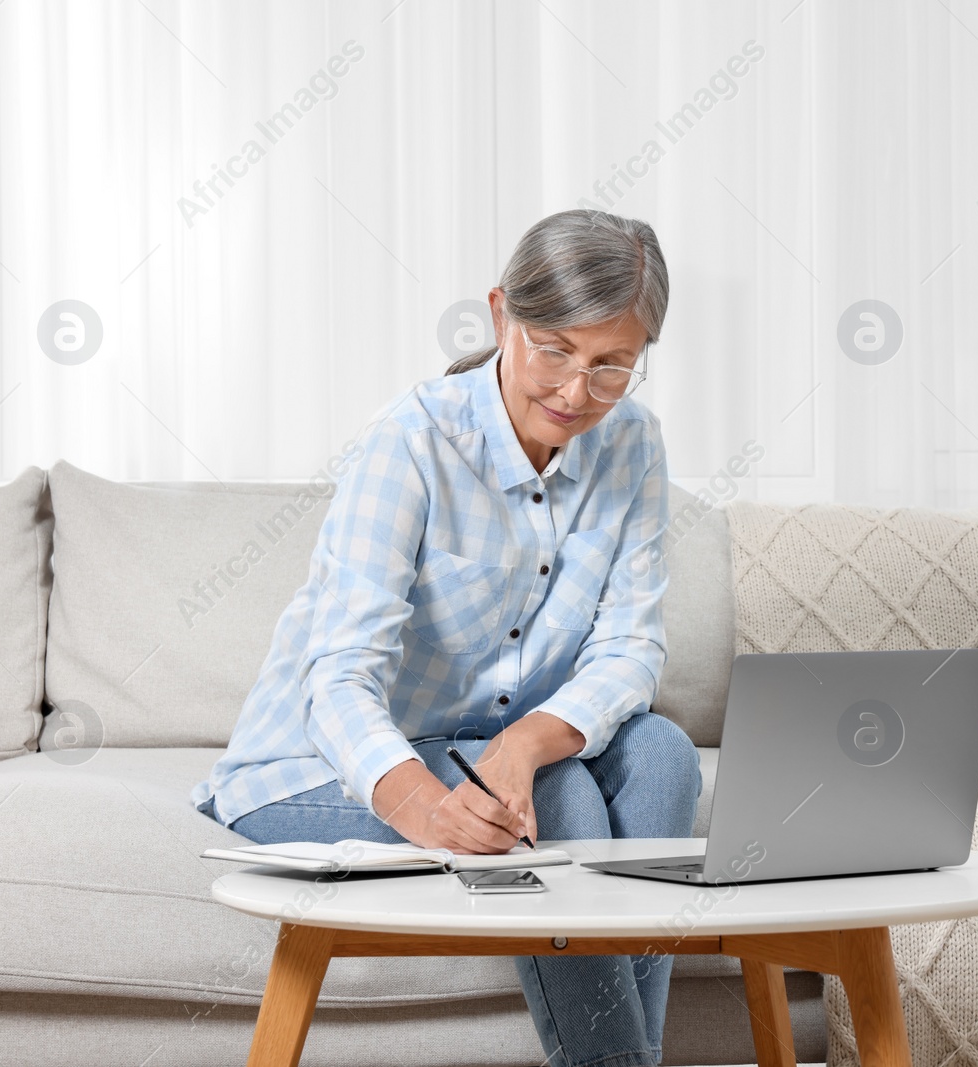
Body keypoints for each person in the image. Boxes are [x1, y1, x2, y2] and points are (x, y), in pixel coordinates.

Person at [192, 208, 701, 1066]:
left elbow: (630, 649)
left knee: (663, 755)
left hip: (487, 746)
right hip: (318, 763)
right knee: (568, 800)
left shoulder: (633, 444)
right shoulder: (411, 442)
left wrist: (527, 742)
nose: (578, 393)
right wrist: (429, 810)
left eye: (613, 365)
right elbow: (338, 676)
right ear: (502, 315)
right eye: (554, 350)